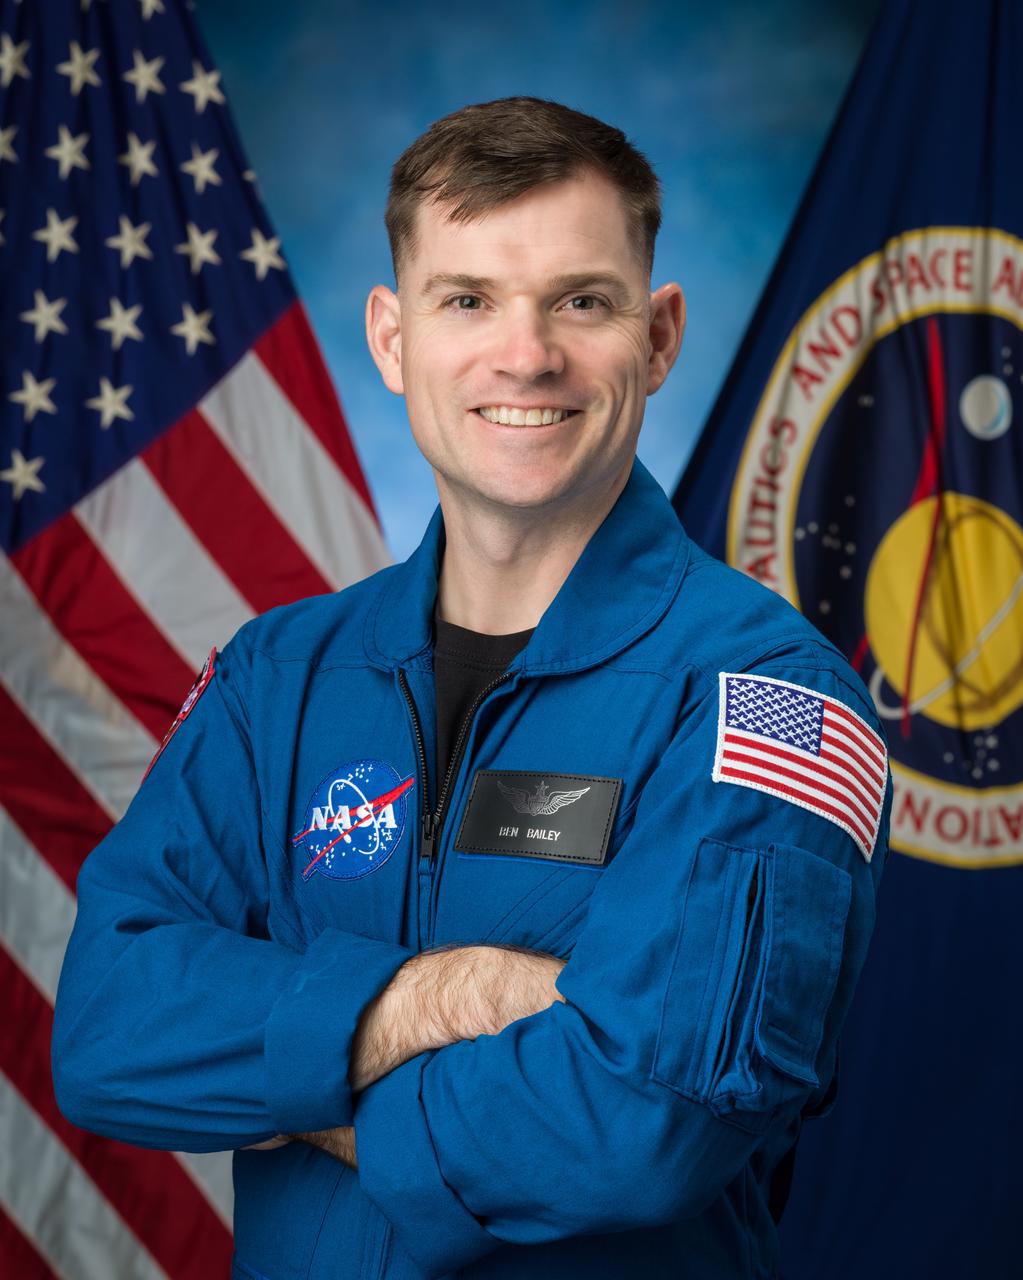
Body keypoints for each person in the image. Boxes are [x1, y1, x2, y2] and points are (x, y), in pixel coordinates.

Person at [53, 96, 891, 1279]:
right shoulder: (274, 678)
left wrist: (292, 1072)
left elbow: (639, 1130)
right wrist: (438, 997)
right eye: (468, 301)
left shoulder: (770, 701)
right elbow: (106, 1026)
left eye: (582, 301)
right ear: (393, 338)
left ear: (659, 337)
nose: (527, 354)